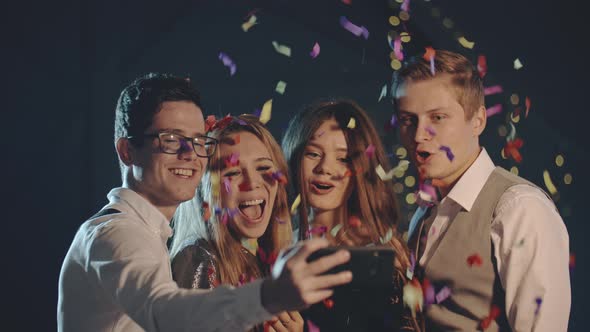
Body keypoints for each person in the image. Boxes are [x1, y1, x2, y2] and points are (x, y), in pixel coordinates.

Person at [57, 73, 353, 332]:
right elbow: (163, 313)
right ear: (127, 151)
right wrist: (269, 296)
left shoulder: (149, 234)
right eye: (171, 139)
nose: (190, 154)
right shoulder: (118, 233)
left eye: (198, 141)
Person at [391, 49, 570, 331]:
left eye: (437, 118)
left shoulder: (520, 208)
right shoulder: (425, 211)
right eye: (407, 120)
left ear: (478, 120)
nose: (418, 135)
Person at [281, 99, 422, 331]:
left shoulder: (378, 256)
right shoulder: (281, 246)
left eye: (343, 158)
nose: (325, 168)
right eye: (313, 153)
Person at [170, 114, 303, 332]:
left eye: (263, 168)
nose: (253, 184)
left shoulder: (264, 261)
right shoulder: (200, 259)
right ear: (204, 193)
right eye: (232, 172)